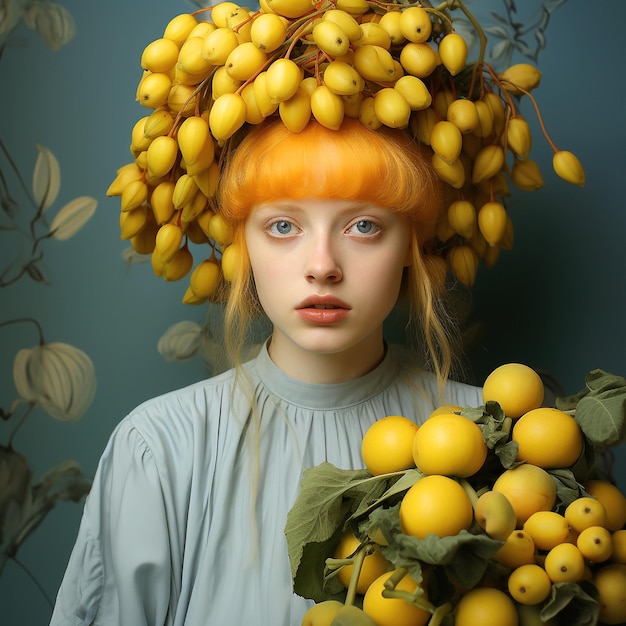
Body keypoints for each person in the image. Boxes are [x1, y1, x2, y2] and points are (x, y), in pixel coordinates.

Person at [49, 117, 483, 625]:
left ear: (409, 245)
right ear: (244, 245)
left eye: (364, 225)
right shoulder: (159, 448)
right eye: (283, 226)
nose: (322, 265)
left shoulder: (490, 434)